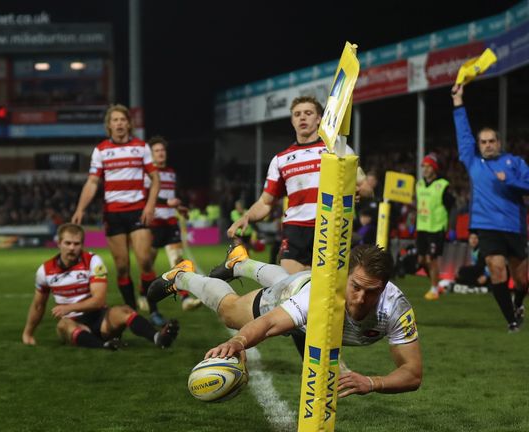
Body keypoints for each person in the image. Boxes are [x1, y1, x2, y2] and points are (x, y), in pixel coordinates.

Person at [148, 243, 422, 397]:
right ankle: (182, 276)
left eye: (371, 291)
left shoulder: (396, 308)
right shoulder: (321, 297)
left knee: (286, 277)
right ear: (344, 278)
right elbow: (268, 324)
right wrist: (239, 341)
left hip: (301, 282)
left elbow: (412, 373)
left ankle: (239, 263)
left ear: (384, 286)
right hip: (297, 291)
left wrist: (373, 382)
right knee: (231, 313)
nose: (361, 298)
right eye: (356, 287)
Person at [227, 96, 364, 274]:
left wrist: (359, 189)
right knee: (291, 289)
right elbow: (266, 202)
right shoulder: (281, 159)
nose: (302, 117)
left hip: (330, 226)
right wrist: (246, 217)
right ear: (292, 121)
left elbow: (363, 183)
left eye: (308, 113)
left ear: (319, 119)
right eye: (297, 114)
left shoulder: (338, 148)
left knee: (328, 292)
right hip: (295, 230)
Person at [22, 223, 179, 350]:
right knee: (63, 325)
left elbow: (98, 300)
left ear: (82, 245)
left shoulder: (92, 261)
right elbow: (38, 305)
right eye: (67, 243)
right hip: (73, 323)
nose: (71, 248)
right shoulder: (45, 270)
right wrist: (28, 333)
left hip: (99, 319)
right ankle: (104, 346)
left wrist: (68, 307)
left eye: (76, 244)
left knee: (124, 310)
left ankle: (158, 338)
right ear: (59, 244)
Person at [71, 105, 161, 323]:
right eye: (115, 120)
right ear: (109, 125)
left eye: (123, 120)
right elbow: (92, 182)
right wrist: (80, 208)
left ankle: (154, 310)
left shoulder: (141, 147)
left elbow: (155, 179)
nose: (119, 123)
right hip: (113, 214)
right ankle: (131, 311)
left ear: (129, 124)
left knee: (145, 261)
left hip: (138, 211)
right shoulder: (101, 150)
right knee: (122, 267)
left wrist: (150, 206)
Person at [452, 83, 529, 332]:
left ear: (499, 142)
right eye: (483, 141)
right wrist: (458, 101)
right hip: (487, 226)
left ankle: (518, 303)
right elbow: (463, 133)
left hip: (514, 225)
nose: (487, 145)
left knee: (521, 279)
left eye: (491, 141)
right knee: (496, 269)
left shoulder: (514, 163)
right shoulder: (473, 162)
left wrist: (512, 181)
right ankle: (512, 321)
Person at [143, 136, 201, 314]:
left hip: (170, 222)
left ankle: (185, 298)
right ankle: (142, 294)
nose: (161, 153)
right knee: (147, 265)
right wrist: (167, 201)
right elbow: (145, 195)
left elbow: (171, 198)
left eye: (163, 150)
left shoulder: (171, 172)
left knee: (177, 260)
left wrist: (180, 207)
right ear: (151, 155)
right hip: (154, 224)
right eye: (157, 151)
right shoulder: (148, 173)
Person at [416, 153, 455, 300]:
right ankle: (436, 284)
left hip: (436, 228)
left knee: (431, 259)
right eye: (423, 167)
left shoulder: (442, 185)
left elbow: (452, 207)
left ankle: (434, 289)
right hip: (422, 227)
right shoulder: (419, 185)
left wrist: (451, 227)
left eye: (428, 166)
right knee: (421, 261)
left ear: (434, 168)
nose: (425, 169)